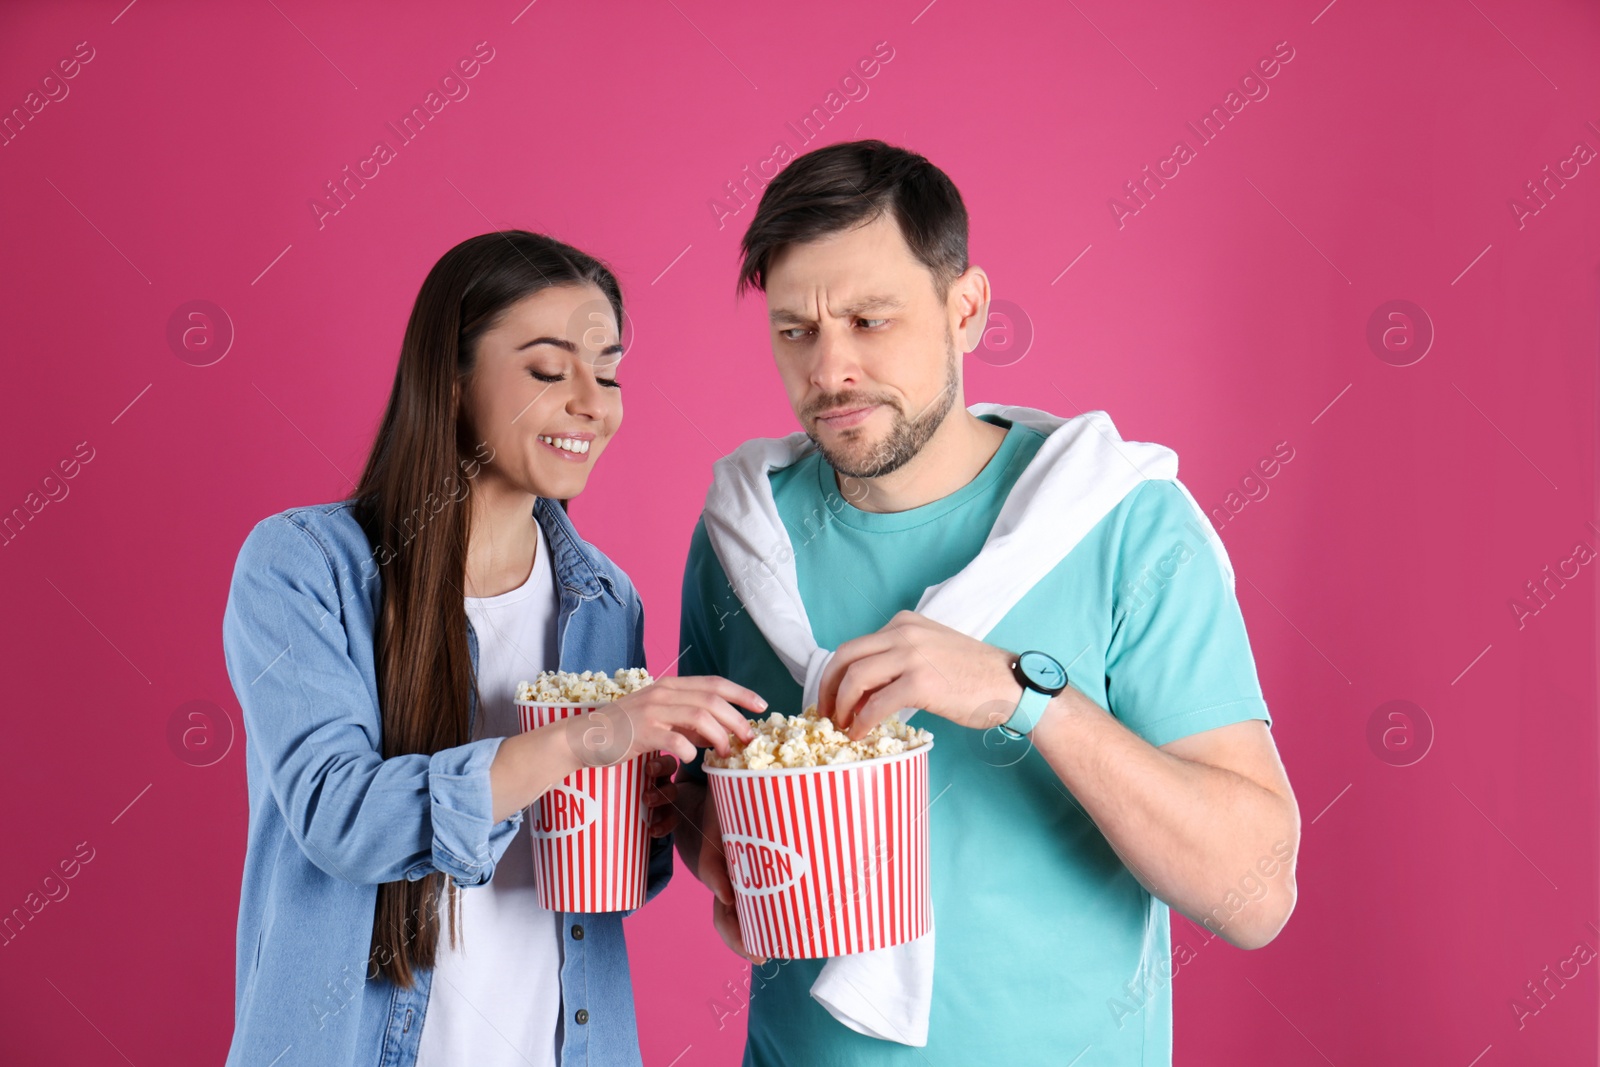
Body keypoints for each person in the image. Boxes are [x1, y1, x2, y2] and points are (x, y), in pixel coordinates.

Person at [672, 141, 1301, 1065]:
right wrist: (710, 846)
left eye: (870, 320)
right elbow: (705, 790)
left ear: (965, 310)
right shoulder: (742, 537)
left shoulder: (1122, 525)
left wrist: (1022, 692)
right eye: (796, 331)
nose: (831, 369)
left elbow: (1257, 895)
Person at [221, 231, 763, 1067]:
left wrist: (674, 829)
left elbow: (591, 874)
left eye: (609, 371)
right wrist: (590, 734)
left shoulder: (606, 600)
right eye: (550, 371)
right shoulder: (305, 566)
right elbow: (341, 817)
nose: (593, 401)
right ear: (451, 379)